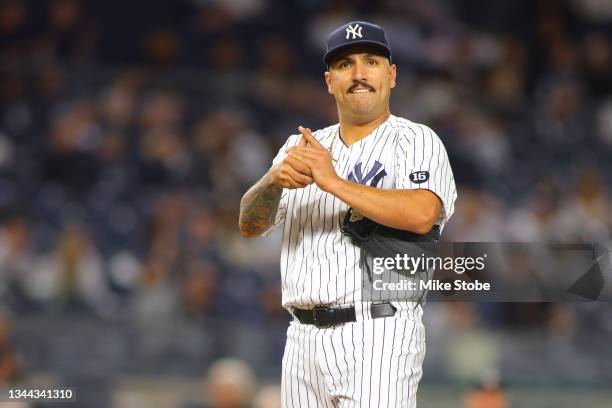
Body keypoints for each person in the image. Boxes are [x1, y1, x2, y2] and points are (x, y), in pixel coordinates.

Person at [239, 21, 457, 407]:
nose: (359, 74)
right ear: (329, 81)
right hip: (302, 337)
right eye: (345, 65)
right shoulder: (300, 146)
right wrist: (271, 181)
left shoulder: (416, 140)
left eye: (371, 62)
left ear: (391, 75)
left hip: (379, 331)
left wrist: (331, 180)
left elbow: (423, 213)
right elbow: (250, 225)